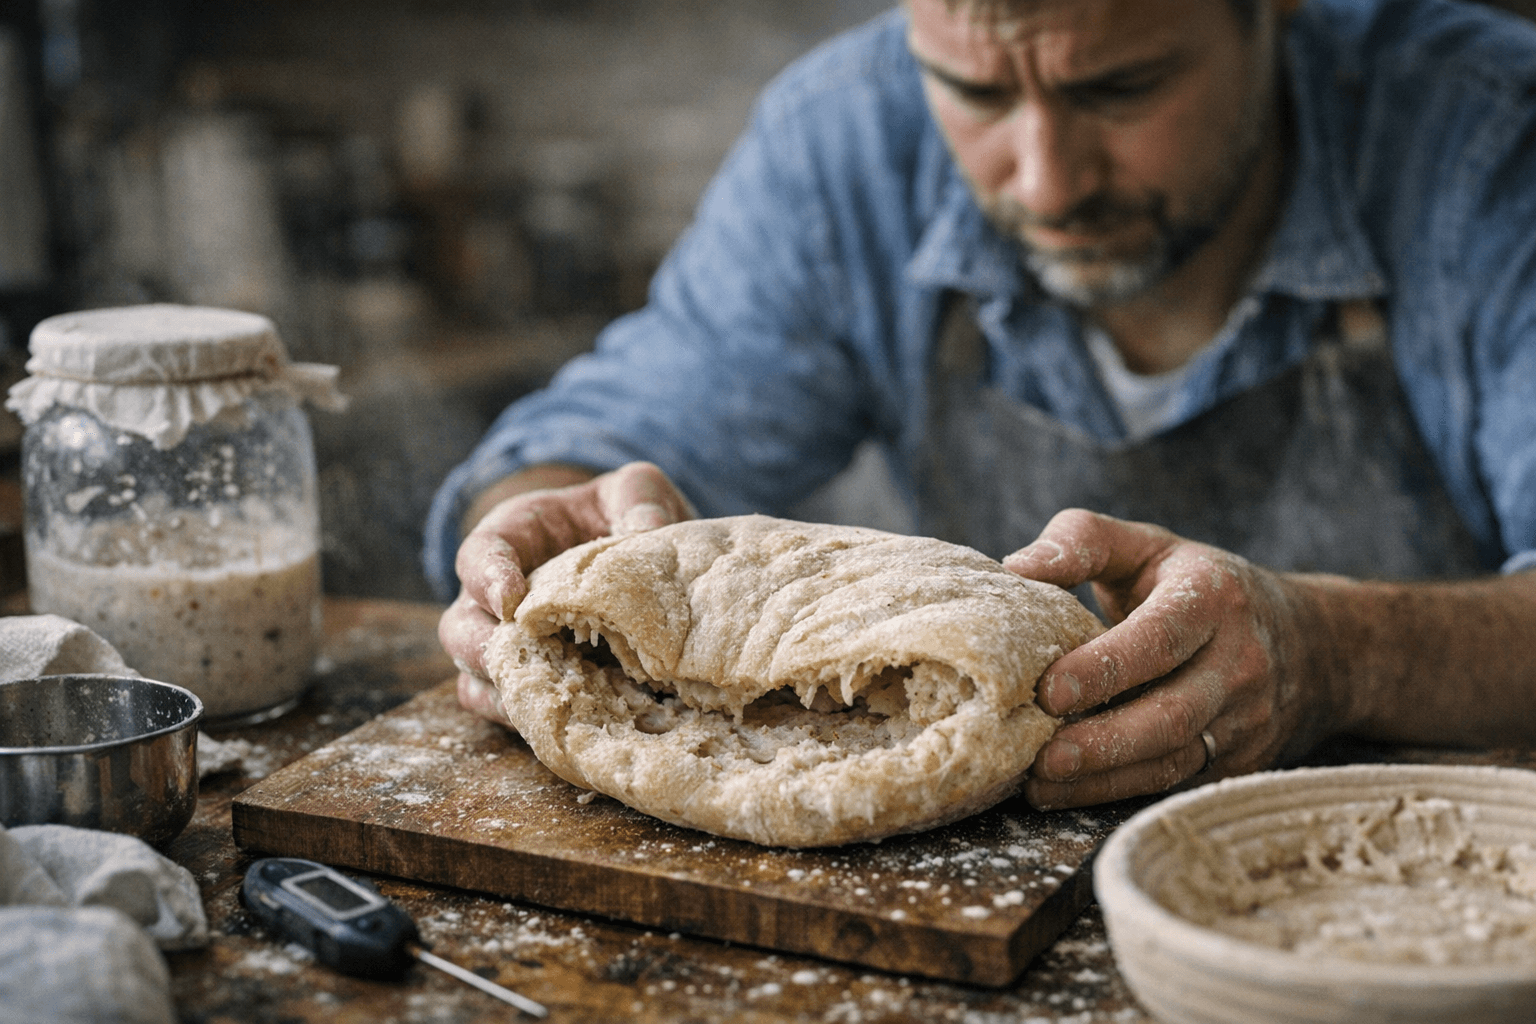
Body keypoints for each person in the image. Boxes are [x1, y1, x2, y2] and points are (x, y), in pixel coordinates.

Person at [428, 0, 1536, 811]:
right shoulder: (847, 141)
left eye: (1120, 87)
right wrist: (541, 517)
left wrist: (1339, 655)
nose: (1047, 179)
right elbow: (604, 438)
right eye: (978, 92)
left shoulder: (1489, 143)